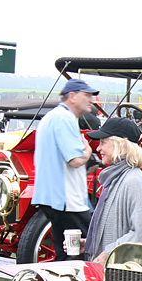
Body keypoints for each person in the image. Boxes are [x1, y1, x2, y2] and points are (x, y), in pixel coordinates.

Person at [32, 78, 99, 261]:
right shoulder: (65, 118)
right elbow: (76, 160)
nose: (91, 100)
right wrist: (88, 152)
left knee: (64, 252)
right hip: (67, 200)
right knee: (84, 249)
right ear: (72, 96)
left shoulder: (50, 117)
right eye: (87, 95)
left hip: (50, 197)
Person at [82, 117, 142, 263]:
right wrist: (89, 243)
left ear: (121, 146)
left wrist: (109, 253)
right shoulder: (116, 178)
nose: (98, 148)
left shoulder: (133, 180)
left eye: (103, 142)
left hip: (122, 277)